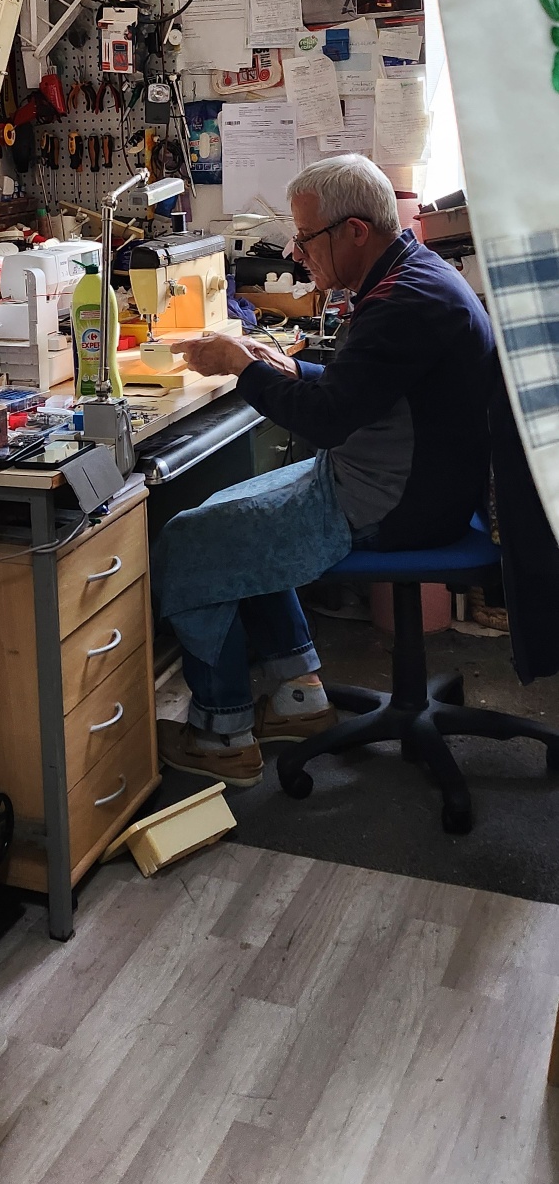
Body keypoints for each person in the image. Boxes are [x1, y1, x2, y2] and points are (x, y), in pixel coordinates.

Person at [153, 154, 496, 789]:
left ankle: (221, 733)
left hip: (396, 504)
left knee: (188, 539)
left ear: (356, 231)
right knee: (230, 518)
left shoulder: (401, 305)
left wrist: (242, 366)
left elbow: (324, 423)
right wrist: (287, 370)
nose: (296, 250)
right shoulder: (414, 277)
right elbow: (363, 392)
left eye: (308, 237)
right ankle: (297, 698)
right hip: (412, 483)